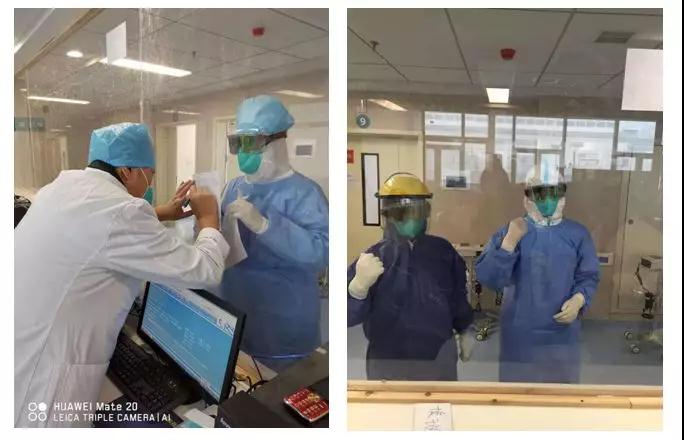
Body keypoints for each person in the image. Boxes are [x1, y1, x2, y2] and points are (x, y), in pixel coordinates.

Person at [14, 122, 229, 427]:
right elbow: (206, 269)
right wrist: (209, 219)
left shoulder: (60, 190)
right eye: (149, 173)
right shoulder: (122, 212)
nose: (151, 181)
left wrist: (162, 212)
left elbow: (97, 229)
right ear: (127, 171)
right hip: (46, 383)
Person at [217, 95, 329, 372]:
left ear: (278, 142)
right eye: (238, 143)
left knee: (282, 394)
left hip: (284, 329)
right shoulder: (232, 187)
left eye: (252, 142)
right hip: (235, 316)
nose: (244, 153)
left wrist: (266, 226)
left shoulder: (305, 193)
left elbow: (323, 252)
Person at [475, 163, 600, 383]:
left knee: (560, 394)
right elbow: (490, 279)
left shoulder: (577, 235)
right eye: (541, 194)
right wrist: (508, 244)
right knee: (517, 394)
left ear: (562, 194)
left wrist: (579, 299)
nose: (548, 200)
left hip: (561, 334)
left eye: (554, 193)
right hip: (520, 333)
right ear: (528, 195)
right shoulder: (512, 231)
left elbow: (588, 275)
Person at [347, 172, 475, 380]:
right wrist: (357, 288)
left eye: (416, 212)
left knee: (438, 401)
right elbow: (346, 317)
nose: (410, 219)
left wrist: (466, 328)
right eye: (401, 213)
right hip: (387, 360)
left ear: (426, 213)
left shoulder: (443, 252)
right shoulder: (374, 257)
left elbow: (457, 298)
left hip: (438, 356)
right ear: (387, 215)